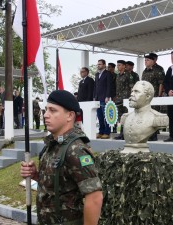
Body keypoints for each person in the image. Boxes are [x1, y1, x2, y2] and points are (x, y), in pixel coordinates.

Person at [20, 90, 103, 225]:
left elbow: (94, 197)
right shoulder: (53, 144)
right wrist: (36, 175)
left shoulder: (75, 150)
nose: (46, 115)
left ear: (69, 115)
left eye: (53, 110)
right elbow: (60, 186)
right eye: (46, 110)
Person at [121, 81, 168, 153]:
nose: (131, 94)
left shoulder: (157, 117)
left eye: (136, 92)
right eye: (132, 91)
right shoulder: (126, 116)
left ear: (147, 96)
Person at [141, 54, 165, 141]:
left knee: (153, 116)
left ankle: (153, 135)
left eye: (147, 60)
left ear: (152, 61)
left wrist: (159, 95)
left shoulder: (157, 70)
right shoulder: (144, 71)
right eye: (145, 60)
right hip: (145, 98)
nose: (146, 62)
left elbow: (161, 83)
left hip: (154, 96)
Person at [113, 60, 133, 140]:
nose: (118, 67)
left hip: (126, 99)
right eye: (117, 65)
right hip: (118, 99)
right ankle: (121, 133)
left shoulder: (128, 75)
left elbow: (132, 87)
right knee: (120, 117)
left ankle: (125, 134)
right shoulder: (117, 76)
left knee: (126, 117)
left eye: (120, 65)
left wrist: (130, 97)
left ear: (124, 66)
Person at [93, 59, 112, 139]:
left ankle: (107, 132)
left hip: (104, 98)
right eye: (98, 64)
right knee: (99, 116)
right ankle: (101, 131)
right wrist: (94, 96)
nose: (98, 65)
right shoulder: (97, 74)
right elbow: (95, 86)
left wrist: (107, 96)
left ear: (104, 65)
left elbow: (109, 86)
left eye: (100, 64)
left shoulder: (108, 74)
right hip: (97, 98)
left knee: (105, 116)